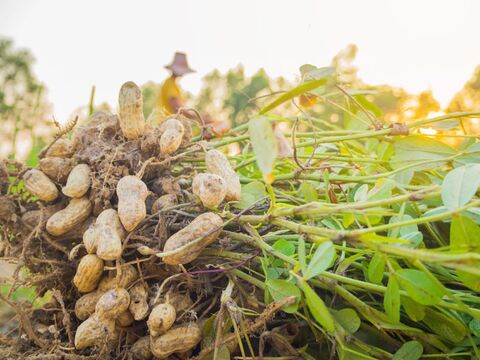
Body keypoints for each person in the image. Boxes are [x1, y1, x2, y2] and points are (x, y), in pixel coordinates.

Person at [157, 52, 195, 117]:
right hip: (167, 123)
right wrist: (195, 116)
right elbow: (177, 107)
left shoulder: (174, 84)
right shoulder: (170, 83)